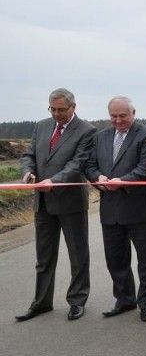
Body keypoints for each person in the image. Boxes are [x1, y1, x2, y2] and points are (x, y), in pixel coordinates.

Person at [16, 88, 97, 322]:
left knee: (77, 255)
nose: (57, 114)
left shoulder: (86, 131)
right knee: (44, 256)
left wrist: (54, 181)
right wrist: (28, 171)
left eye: (62, 110)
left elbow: (77, 164)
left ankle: (77, 301)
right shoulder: (41, 126)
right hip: (43, 203)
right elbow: (28, 155)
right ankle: (41, 302)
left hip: (70, 202)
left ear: (73, 107)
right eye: (53, 109)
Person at [85, 96, 146, 322]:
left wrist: (122, 180)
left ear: (133, 113)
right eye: (113, 116)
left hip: (140, 208)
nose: (118, 121)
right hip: (110, 209)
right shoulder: (100, 137)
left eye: (122, 116)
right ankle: (125, 299)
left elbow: (145, 167)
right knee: (115, 259)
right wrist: (97, 177)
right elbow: (89, 165)